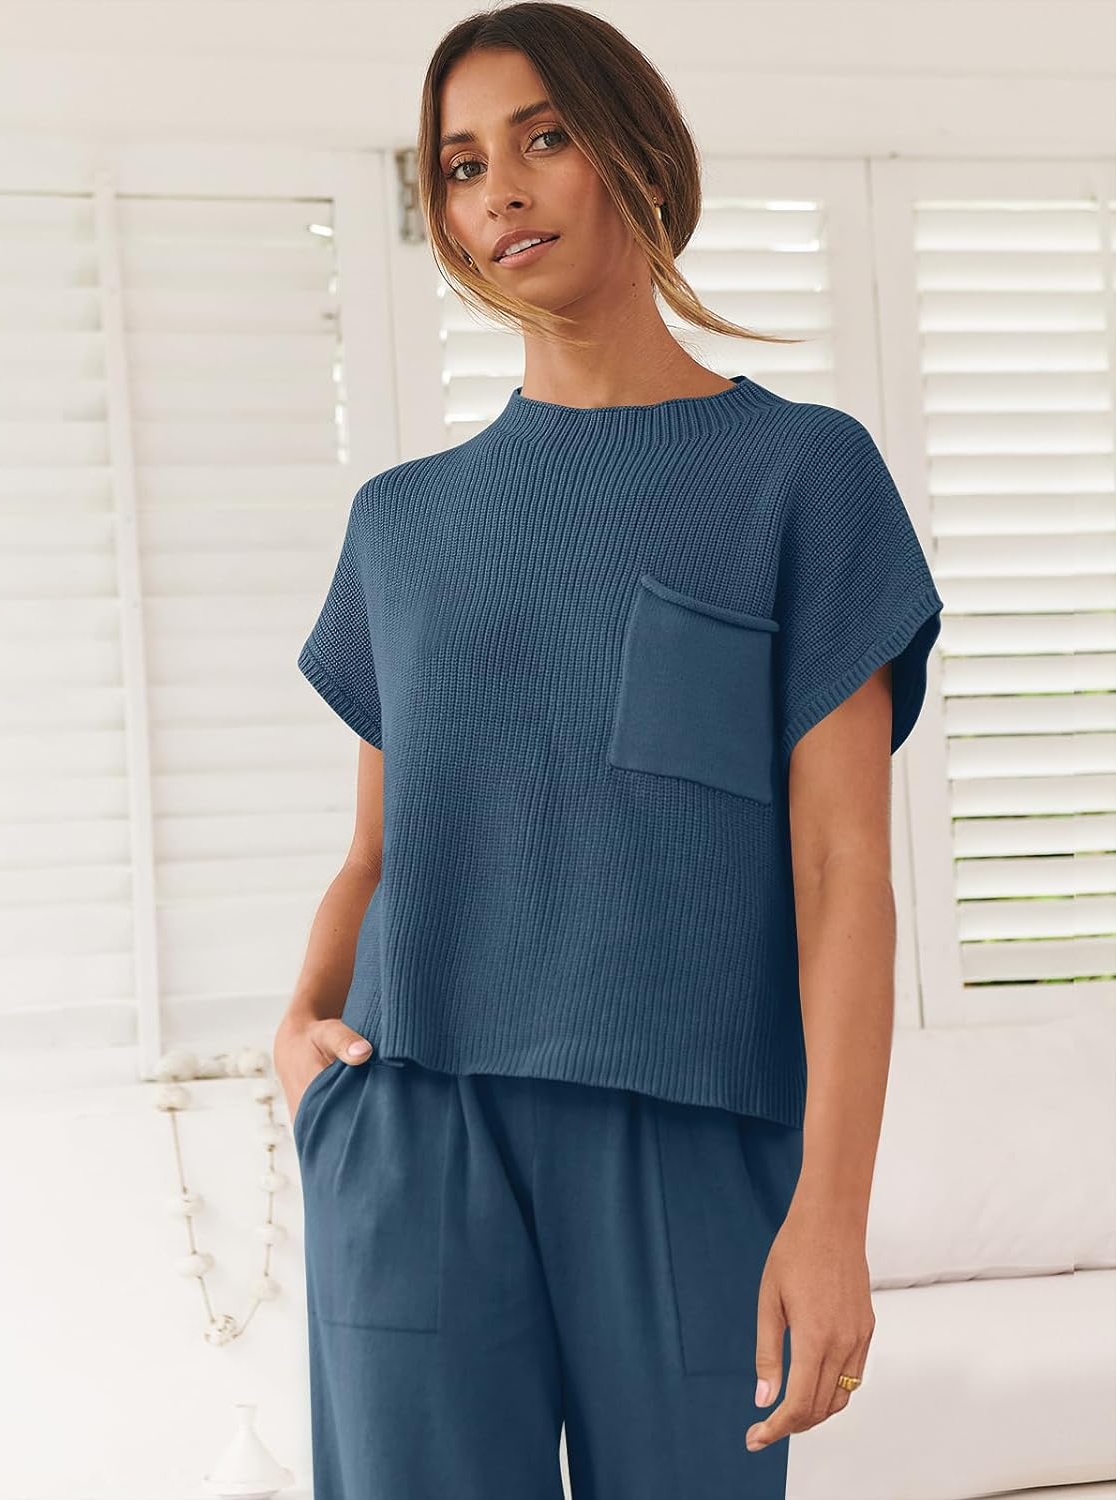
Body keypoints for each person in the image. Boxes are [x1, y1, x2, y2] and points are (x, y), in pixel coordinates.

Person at [272, 5, 944, 1497]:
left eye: (544, 138)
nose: (499, 190)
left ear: (636, 153)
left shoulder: (800, 474)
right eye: (461, 165)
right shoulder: (401, 524)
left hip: (690, 1133)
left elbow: (842, 871)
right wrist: (301, 1032)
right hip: (413, 1128)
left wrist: (832, 1212)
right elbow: (377, 849)